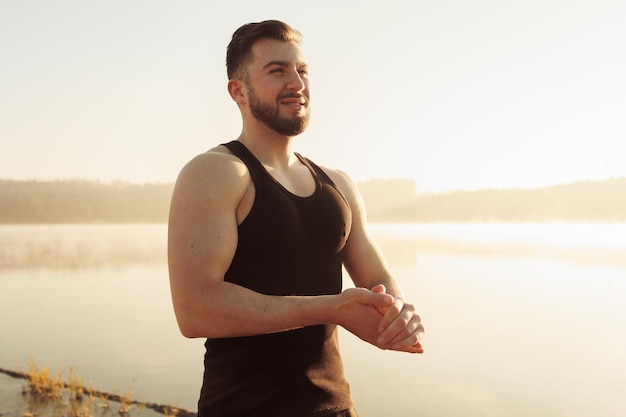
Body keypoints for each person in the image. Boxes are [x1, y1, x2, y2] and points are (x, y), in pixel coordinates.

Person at [168, 20, 425, 417]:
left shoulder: (338, 184)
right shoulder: (217, 172)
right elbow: (195, 309)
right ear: (238, 90)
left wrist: (398, 311)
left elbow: (379, 282)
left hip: (335, 408)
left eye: (302, 71)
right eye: (277, 71)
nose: (297, 83)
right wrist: (329, 307)